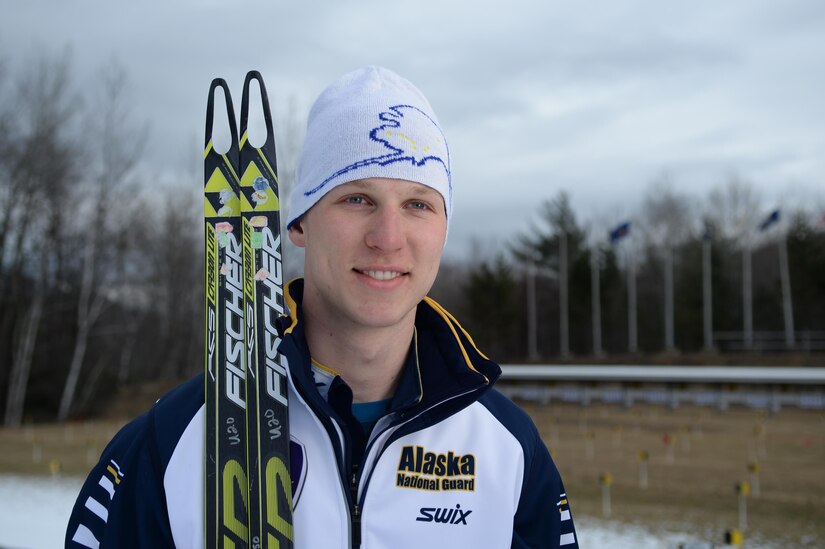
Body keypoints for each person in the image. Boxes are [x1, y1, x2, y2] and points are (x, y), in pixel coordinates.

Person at [66, 66, 578, 548]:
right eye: (357, 199)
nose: (388, 238)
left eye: (418, 204)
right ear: (299, 225)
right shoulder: (176, 442)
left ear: (443, 230)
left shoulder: (506, 452)